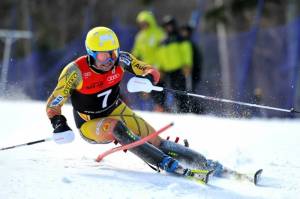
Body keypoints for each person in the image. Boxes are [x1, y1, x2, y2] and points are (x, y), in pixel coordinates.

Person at [46, 26, 223, 180]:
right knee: (115, 126)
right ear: (91, 54)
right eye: (102, 56)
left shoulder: (121, 60)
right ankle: (164, 163)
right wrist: (59, 123)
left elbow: (149, 69)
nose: (109, 61)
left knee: (155, 140)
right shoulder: (75, 72)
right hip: (90, 123)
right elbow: (53, 103)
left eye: (112, 53)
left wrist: (148, 78)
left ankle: (204, 163)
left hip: (116, 109)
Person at [156, 16, 192, 113]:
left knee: (181, 91)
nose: (169, 28)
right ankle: (165, 109)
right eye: (167, 26)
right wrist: (160, 68)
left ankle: (184, 110)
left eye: (171, 25)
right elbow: (159, 55)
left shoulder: (180, 38)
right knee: (166, 91)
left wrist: (187, 64)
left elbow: (186, 51)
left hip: (179, 69)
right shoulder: (163, 40)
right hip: (167, 70)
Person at [131, 10, 165, 112]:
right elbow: (136, 52)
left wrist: (161, 67)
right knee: (145, 90)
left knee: (158, 89)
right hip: (145, 68)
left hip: (158, 67)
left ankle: (160, 109)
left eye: (145, 22)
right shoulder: (140, 36)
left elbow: (163, 51)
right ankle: (147, 110)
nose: (143, 25)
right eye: (141, 23)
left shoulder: (159, 33)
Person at [179, 24, 204, 114]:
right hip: (183, 73)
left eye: (186, 32)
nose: (184, 33)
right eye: (182, 31)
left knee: (190, 92)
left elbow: (197, 60)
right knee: (183, 92)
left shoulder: (190, 44)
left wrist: (192, 70)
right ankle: (185, 110)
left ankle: (196, 111)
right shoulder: (181, 43)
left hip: (192, 73)